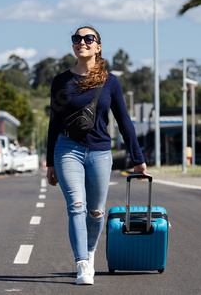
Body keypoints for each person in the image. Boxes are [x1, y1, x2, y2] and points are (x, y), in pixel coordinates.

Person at [45, 26, 146, 285]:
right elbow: (54, 122)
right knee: (76, 207)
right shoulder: (61, 81)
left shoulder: (110, 81)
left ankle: (90, 252)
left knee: (96, 212)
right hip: (67, 149)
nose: (82, 42)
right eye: (77, 39)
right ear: (73, 45)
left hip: (101, 151)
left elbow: (124, 122)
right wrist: (49, 163)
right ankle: (82, 264)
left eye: (89, 39)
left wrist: (137, 158)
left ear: (98, 46)